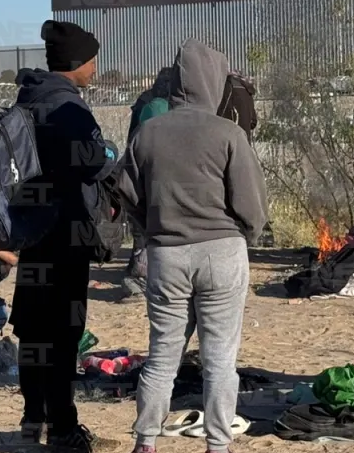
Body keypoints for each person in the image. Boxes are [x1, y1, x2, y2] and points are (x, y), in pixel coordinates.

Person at [117, 40, 268, 453]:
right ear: (215, 82)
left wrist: (149, 228)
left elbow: (125, 190)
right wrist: (246, 237)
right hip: (222, 252)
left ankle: (146, 441)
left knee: (162, 356)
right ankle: (218, 445)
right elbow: (252, 204)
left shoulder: (149, 132)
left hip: (166, 255)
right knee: (220, 361)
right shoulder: (229, 133)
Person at [10, 20, 118, 452]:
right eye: (93, 60)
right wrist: (109, 150)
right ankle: (64, 426)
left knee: (33, 330)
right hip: (64, 234)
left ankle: (32, 418)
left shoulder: (28, 99)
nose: (95, 69)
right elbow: (94, 162)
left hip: (29, 231)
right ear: (79, 63)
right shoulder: (65, 106)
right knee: (62, 332)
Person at [121, 67, 174, 303]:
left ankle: (139, 269)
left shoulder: (146, 101)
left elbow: (134, 136)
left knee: (141, 226)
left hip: (141, 168)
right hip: (161, 170)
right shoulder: (165, 105)